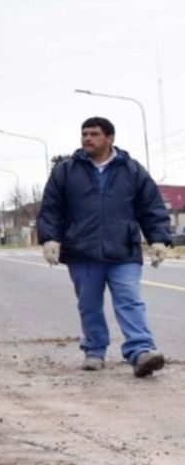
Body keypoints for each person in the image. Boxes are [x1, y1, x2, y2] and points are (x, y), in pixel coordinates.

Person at [37, 116, 171, 377]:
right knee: (89, 304)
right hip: (82, 250)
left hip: (124, 249)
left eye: (94, 134)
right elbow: (51, 208)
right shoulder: (66, 171)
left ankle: (141, 351)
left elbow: (151, 206)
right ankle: (94, 351)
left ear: (109, 138)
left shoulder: (131, 170)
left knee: (130, 301)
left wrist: (158, 238)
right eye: (84, 133)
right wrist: (50, 238)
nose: (87, 138)